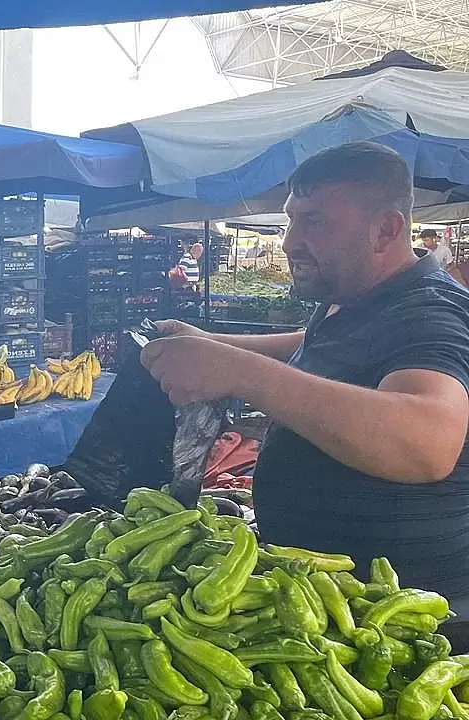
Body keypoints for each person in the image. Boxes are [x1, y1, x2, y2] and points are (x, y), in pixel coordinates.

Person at [140, 142, 469, 647]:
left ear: (385, 231)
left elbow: (426, 443)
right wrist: (210, 343)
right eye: (291, 220)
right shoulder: (359, 296)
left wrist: (241, 372)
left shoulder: (430, 314)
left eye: (315, 222)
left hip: (401, 629)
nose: (292, 240)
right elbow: (316, 348)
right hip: (329, 611)